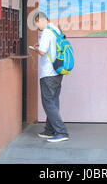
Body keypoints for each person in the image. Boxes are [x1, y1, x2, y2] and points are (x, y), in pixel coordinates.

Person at [30, 12, 70, 143]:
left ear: (40, 20)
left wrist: (34, 49)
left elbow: (42, 51)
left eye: (37, 24)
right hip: (58, 71)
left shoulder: (47, 32)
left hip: (49, 73)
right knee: (53, 101)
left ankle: (61, 132)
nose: (38, 27)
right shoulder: (56, 29)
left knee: (48, 103)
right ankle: (49, 130)